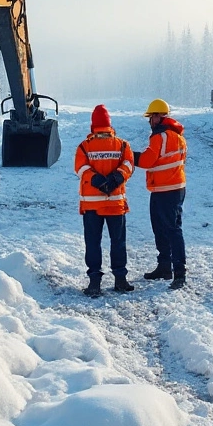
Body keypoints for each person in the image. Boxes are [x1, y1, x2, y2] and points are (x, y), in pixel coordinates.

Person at [73, 104, 135, 297]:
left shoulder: (84, 146)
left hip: (92, 205)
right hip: (115, 203)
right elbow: (129, 164)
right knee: (118, 242)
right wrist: (116, 178)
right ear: (110, 124)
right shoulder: (122, 145)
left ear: (93, 126)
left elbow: (80, 168)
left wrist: (96, 180)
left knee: (93, 243)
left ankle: (94, 283)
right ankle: (120, 280)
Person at [134, 98, 188, 290]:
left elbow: (148, 161)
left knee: (171, 230)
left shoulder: (159, 137)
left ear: (159, 116)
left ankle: (178, 273)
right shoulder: (178, 136)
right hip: (173, 189)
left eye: (151, 117)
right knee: (164, 229)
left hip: (166, 190)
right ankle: (165, 267)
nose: (150, 121)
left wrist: (128, 155)